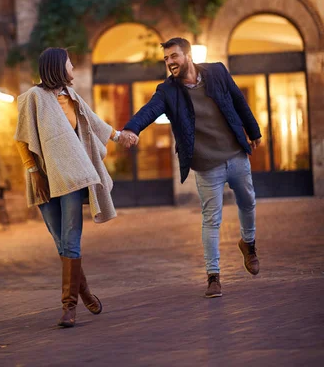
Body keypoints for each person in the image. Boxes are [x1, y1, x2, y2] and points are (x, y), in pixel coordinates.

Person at [120, 37, 261, 298]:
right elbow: (149, 110)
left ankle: (248, 244)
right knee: (211, 219)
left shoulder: (217, 71)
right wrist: (131, 128)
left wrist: (253, 130)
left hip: (236, 155)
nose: (170, 62)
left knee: (248, 201)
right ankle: (213, 276)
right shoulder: (168, 91)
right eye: (166, 59)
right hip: (207, 165)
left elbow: (238, 100)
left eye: (174, 56)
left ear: (188, 55)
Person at [14, 47, 138, 327]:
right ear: (58, 67)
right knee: (60, 242)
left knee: (70, 239)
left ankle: (68, 308)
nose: (73, 69)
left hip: (71, 178)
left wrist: (121, 137)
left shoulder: (73, 98)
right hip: (44, 178)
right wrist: (34, 173)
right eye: (70, 64)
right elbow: (21, 139)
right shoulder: (33, 97)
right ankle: (84, 293)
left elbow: (94, 123)